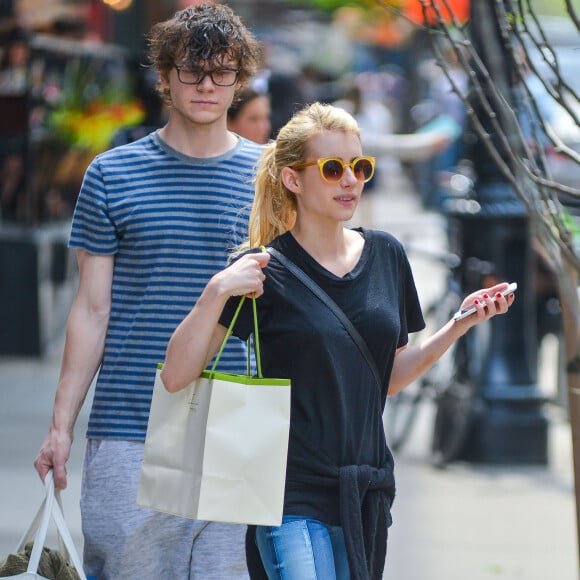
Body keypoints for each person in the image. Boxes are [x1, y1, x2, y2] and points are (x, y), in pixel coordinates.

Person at [161, 102, 515, 579]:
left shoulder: (387, 254)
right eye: (332, 168)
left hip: (364, 493)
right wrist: (215, 291)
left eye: (359, 166)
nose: (350, 180)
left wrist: (458, 324)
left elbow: (389, 378)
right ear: (292, 179)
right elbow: (176, 376)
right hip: (289, 493)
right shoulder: (263, 269)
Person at [33, 4, 262, 579]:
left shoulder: (270, 180)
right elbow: (90, 309)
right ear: (163, 76)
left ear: (239, 80)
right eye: (191, 70)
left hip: (236, 419)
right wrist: (61, 425)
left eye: (222, 71)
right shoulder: (112, 174)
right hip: (129, 421)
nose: (207, 85)